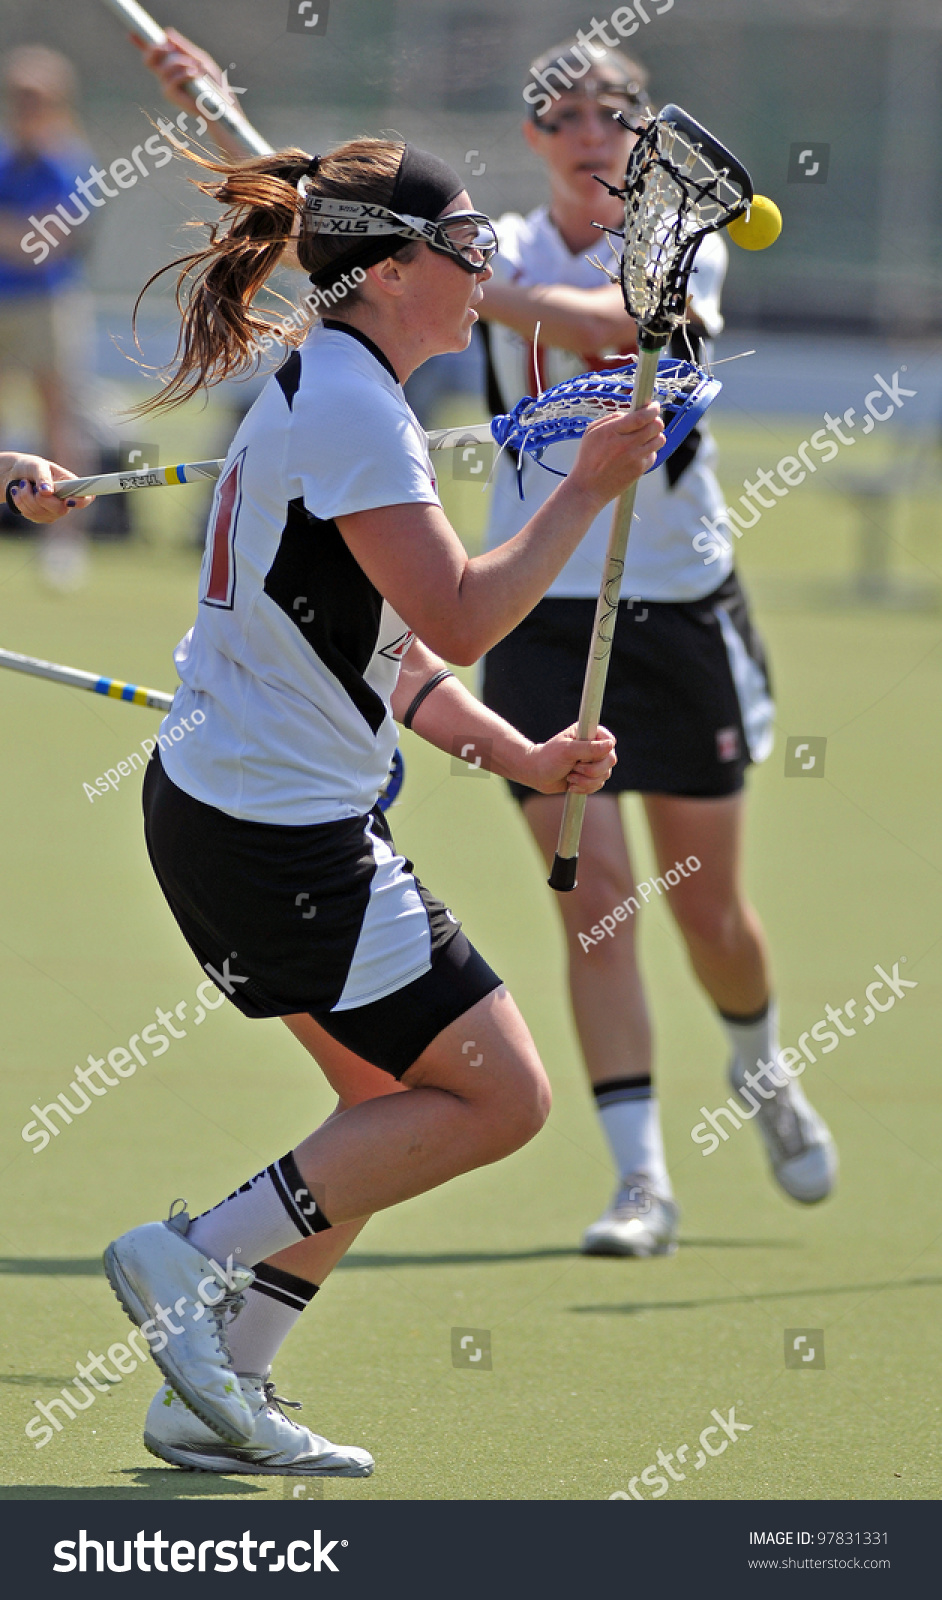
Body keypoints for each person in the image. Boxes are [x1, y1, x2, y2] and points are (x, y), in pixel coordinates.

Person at [100, 134, 665, 1476]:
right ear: (397, 264)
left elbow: (387, 651)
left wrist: (514, 755)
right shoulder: (352, 406)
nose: (486, 269)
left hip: (242, 819)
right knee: (501, 1101)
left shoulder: (343, 388)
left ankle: (218, 1391)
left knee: (382, 1113)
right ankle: (190, 1258)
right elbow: (459, 615)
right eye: (467, 245)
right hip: (276, 837)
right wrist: (585, 487)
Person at [477, 40, 837, 1257]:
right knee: (600, 907)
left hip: (676, 612)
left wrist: (480, 293)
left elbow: (625, 320)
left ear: (647, 136)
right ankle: (641, 1184)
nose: (589, 132)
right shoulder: (497, 246)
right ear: (533, 138)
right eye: (563, 115)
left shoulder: (689, 241)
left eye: (613, 112)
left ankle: (761, 1064)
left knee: (713, 917)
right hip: (531, 610)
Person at [0, 47, 96, 587]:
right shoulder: (3, 158)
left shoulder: (68, 163)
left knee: (57, 419)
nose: (22, 108)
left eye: (33, 99)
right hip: (1, 298)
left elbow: (47, 243)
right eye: (17, 98)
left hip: (47, 303)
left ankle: (64, 539)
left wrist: (16, 232)